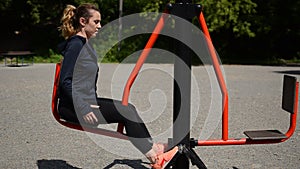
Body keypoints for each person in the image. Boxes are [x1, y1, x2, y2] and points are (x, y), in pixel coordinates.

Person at [57, 3, 178, 168]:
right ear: (83, 21)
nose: (100, 26)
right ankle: (156, 158)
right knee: (126, 111)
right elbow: (65, 81)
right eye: (96, 22)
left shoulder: (84, 44)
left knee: (129, 108)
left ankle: (154, 149)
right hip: (74, 107)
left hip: (85, 101)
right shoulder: (76, 45)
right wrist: (83, 107)